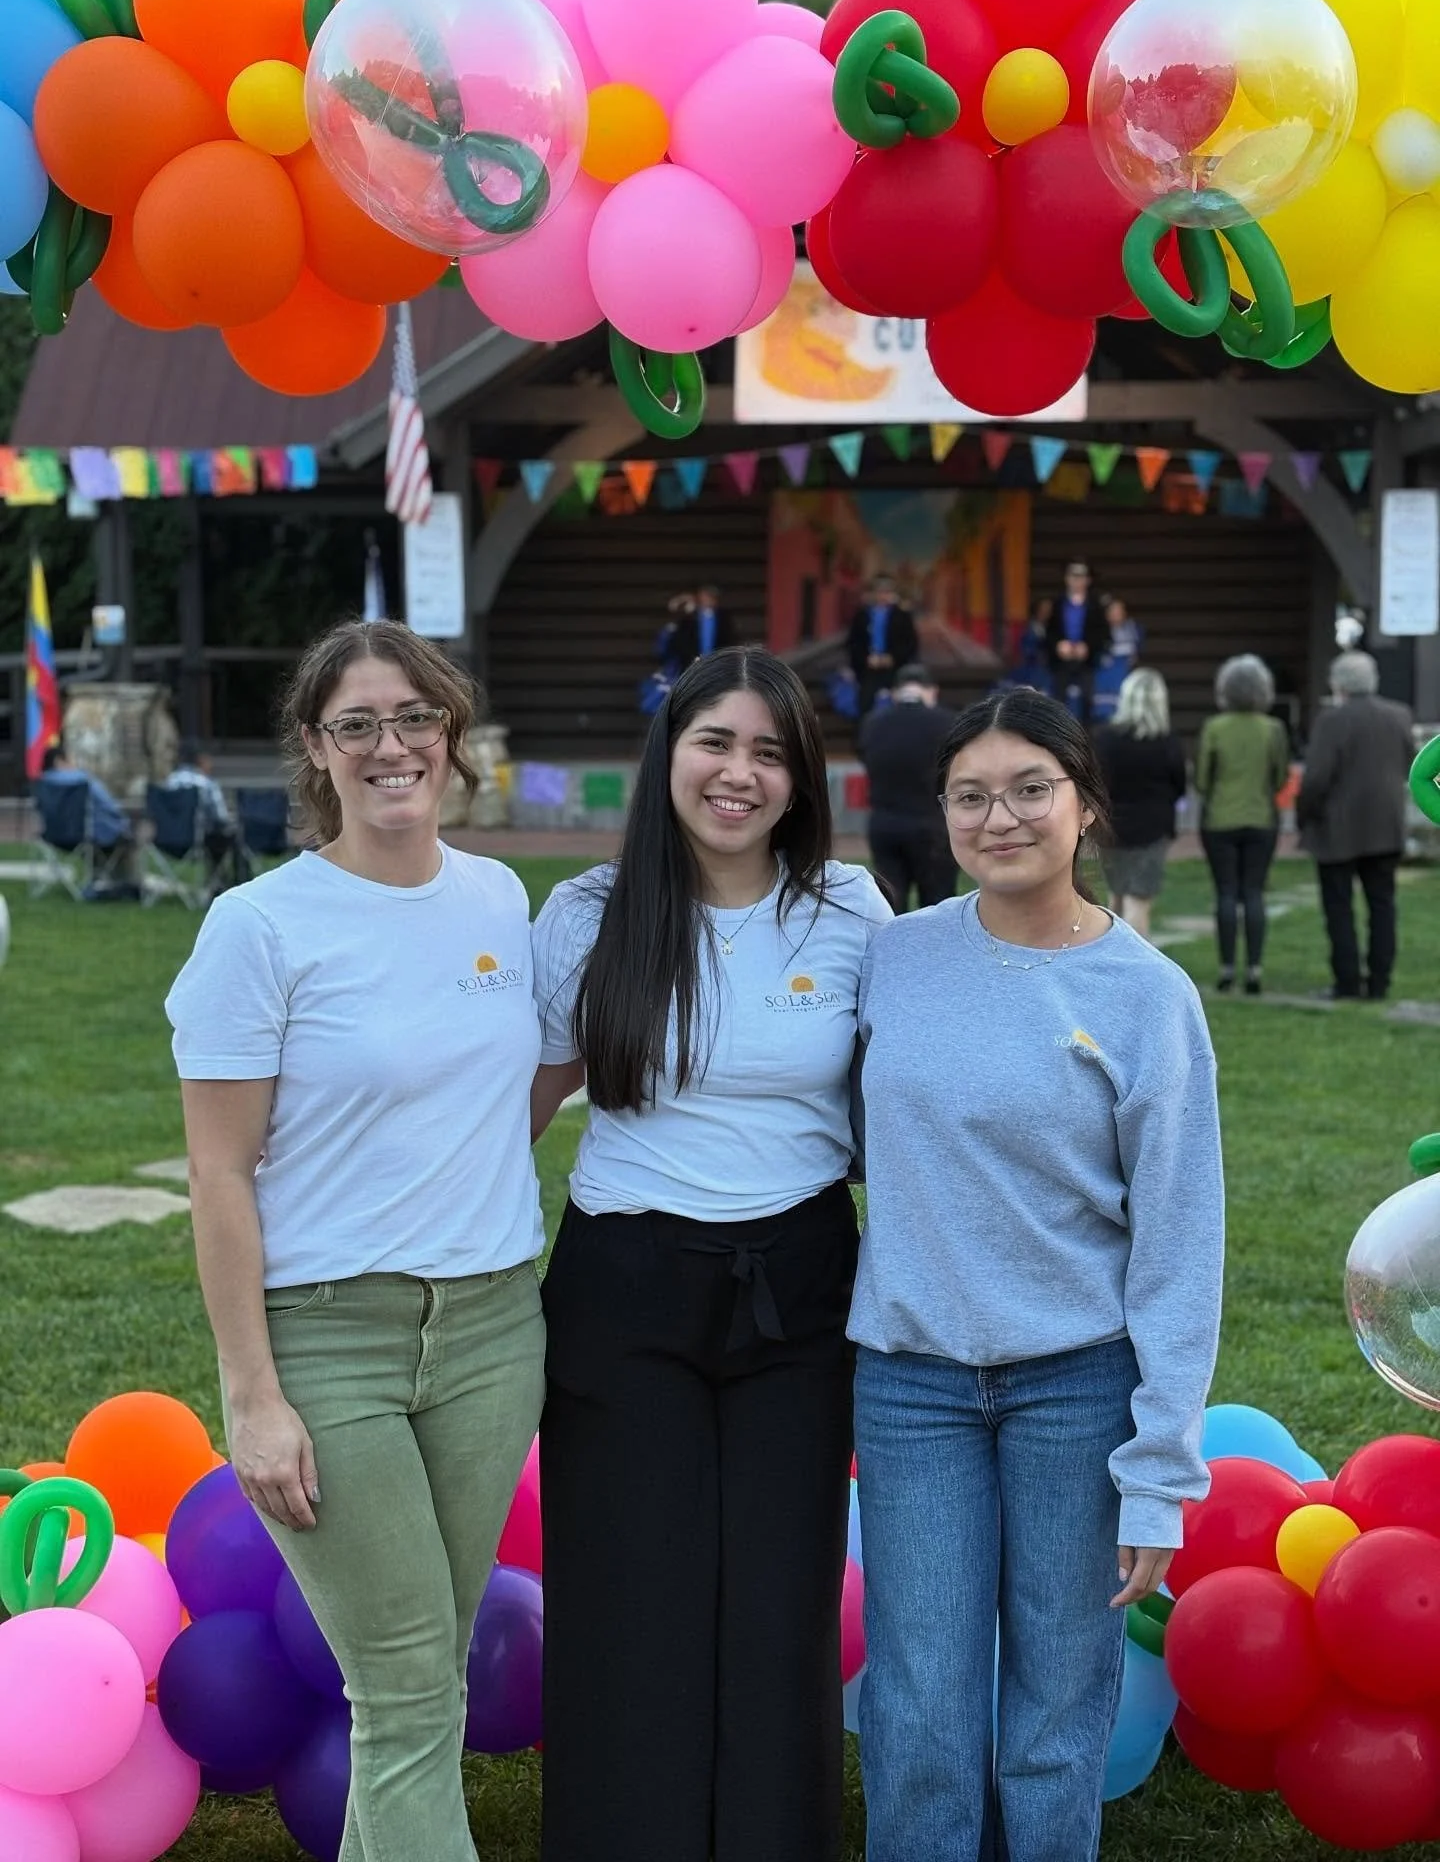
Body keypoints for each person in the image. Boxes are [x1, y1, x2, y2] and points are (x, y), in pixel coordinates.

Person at [165, 620, 546, 1862]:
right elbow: (219, 1173)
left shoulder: (498, 897)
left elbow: (516, 1089)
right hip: (333, 1343)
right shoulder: (260, 926)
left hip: (493, 1329)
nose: (393, 746)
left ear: (453, 736)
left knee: (422, 1676)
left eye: (415, 718)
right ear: (317, 752)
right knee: (405, 1684)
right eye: (358, 725)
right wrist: (252, 1394)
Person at [530, 647, 891, 1862]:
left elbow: (909, 1104)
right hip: (624, 1292)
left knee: (778, 1608)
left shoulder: (849, 911)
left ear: (801, 778)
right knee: (637, 1604)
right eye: (716, 743)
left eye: (771, 752)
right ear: (667, 752)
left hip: (797, 1292)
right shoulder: (585, 913)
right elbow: (511, 1109)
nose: (740, 774)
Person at [851, 689, 1223, 1862]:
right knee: (917, 1702)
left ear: (1086, 806)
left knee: (1060, 1705)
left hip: (1077, 1385)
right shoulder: (893, 959)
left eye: (1029, 790)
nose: (997, 816)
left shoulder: (1149, 997)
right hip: (912, 1387)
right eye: (970, 795)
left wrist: (1161, 1468)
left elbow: (1178, 1244)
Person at [1297, 649, 1414, 1001]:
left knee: (1339, 907)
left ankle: (1347, 982)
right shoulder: (1399, 715)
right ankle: (1380, 982)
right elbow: (1413, 761)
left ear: (1338, 684)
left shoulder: (1332, 721)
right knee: (1382, 905)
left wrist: (1307, 816)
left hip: (1338, 829)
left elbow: (1316, 779)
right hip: (1385, 825)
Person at [1196, 654, 1291, 995]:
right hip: (1261, 817)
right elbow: (1280, 776)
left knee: (1225, 892)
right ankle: (1253, 968)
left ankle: (1225, 969)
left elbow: (1203, 781)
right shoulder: (1273, 729)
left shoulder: (1214, 728)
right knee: (1253, 891)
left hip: (1220, 819)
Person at [1094, 668, 1187, 941]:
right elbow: (1179, 785)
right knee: (1138, 901)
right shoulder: (1168, 743)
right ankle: (1136, 973)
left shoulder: (1106, 739)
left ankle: (1109, 963)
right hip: (1153, 828)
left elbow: (1096, 782)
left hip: (1111, 827)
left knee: (1116, 899)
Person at [859, 663, 956, 913]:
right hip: (932, 826)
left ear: (895, 692)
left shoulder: (872, 723)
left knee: (890, 908)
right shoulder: (946, 723)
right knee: (938, 909)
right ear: (931, 691)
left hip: (885, 824)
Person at [164, 741, 251, 889]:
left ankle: (216, 881)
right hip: (198, 840)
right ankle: (237, 882)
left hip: (167, 841)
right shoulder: (205, 783)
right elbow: (220, 816)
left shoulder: (169, 782)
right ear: (200, 759)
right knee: (230, 836)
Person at [39, 743, 132, 880]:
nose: (75, 763)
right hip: (89, 837)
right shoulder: (82, 781)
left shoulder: (44, 784)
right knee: (128, 836)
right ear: (59, 761)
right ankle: (125, 882)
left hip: (54, 837)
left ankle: (100, 877)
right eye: (71, 759)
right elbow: (110, 806)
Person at [1044, 562, 1108, 725]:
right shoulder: (1057, 603)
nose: (1077, 581)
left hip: (1087, 661)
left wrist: (1087, 646)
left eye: (1081, 577)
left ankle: (1085, 740)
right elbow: (1049, 632)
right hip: (1062, 660)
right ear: (1067, 579)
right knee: (1058, 700)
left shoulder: (1095, 604)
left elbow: (1103, 633)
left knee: (1088, 700)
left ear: (1088, 580)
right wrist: (1059, 645)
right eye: (1073, 576)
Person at [847, 575, 919, 716]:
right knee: (865, 706)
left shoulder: (902, 616)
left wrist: (892, 658)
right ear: (874, 593)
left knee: (898, 709)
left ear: (893, 594)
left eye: (887, 592)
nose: (883, 595)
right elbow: (853, 643)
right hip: (869, 669)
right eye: (880, 591)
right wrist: (866, 659)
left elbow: (911, 643)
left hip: (896, 669)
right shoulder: (862, 615)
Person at [1090, 597, 1143, 725]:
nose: (1116, 614)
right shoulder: (1097, 633)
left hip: (1124, 681)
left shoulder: (1133, 631)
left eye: (1119, 611)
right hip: (1102, 683)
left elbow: (1136, 653)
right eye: (1112, 611)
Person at [669, 583, 739, 670]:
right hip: (691, 664)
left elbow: (729, 640)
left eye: (712, 596)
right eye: (706, 596)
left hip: (717, 664)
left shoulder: (723, 617)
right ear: (700, 597)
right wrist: (691, 658)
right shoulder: (689, 617)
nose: (708, 599)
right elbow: (681, 640)